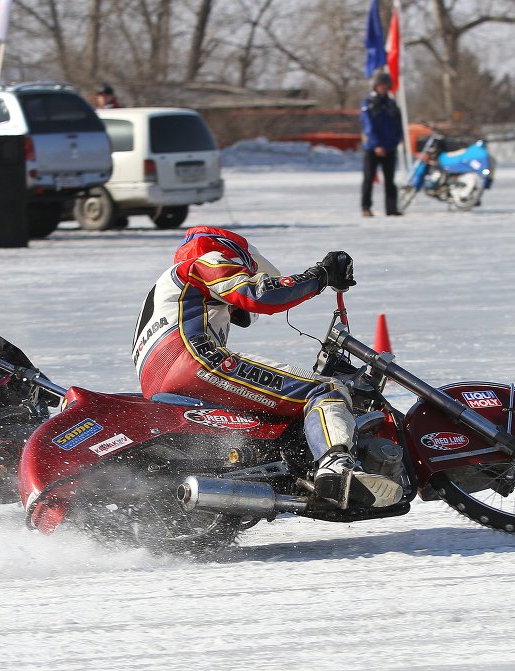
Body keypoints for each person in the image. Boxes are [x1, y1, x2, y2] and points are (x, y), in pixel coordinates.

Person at [130, 226, 404, 507]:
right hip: (192, 361)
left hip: (160, 379)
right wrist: (321, 275)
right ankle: (336, 468)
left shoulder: (169, 289)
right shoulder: (206, 260)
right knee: (325, 389)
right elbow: (258, 295)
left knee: (281, 404)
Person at [359, 71, 404, 217]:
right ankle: (366, 207)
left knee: (390, 180)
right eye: (380, 85)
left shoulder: (391, 104)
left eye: (385, 85)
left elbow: (398, 125)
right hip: (373, 147)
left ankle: (391, 208)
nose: (383, 88)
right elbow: (368, 126)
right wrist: (377, 144)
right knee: (369, 178)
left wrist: (396, 140)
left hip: (389, 147)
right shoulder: (369, 104)